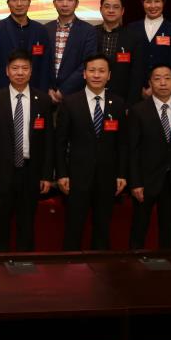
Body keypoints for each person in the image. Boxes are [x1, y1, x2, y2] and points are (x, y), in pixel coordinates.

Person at [0, 50, 55, 252]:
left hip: (31, 172)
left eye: (24, 68)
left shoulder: (43, 100)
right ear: (7, 71)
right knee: (0, 224)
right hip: (2, 173)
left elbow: (48, 141)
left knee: (27, 224)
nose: (20, 73)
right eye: (15, 68)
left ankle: (26, 264)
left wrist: (46, 175)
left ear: (31, 71)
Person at [55, 54, 128, 251]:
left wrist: (121, 173)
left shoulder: (118, 103)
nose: (97, 75)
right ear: (84, 74)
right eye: (92, 70)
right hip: (77, 177)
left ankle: (100, 266)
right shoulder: (70, 102)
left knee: (102, 229)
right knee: (74, 227)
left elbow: (122, 143)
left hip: (107, 176)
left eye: (101, 71)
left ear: (109, 75)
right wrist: (61, 174)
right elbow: (60, 142)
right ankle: (70, 265)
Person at [128, 64, 171, 249]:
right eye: (157, 79)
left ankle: (168, 262)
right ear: (150, 83)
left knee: (168, 229)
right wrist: (135, 182)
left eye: (167, 78)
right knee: (139, 227)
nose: (163, 83)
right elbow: (132, 150)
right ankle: (134, 262)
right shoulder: (138, 111)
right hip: (145, 180)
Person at [0, 0, 51, 94]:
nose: (19, 4)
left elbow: (45, 65)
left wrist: (43, 93)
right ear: (8, 3)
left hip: (34, 91)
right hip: (4, 92)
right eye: (14, 0)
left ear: (29, 2)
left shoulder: (40, 30)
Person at [44, 0, 97, 105]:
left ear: (77, 3)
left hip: (76, 95)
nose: (65, 4)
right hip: (47, 94)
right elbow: (41, 62)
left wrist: (63, 90)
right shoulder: (45, 29)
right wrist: (48, 88)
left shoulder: (88, 31)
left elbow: (87, 63)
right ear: (54, 3)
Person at [127, 0, 171, 98]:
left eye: (157, 1)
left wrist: (154, 87)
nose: (153, 6)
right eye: (148, 2)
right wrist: (138, 87)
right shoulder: (131, 28)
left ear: (163, 2)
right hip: (135, 91)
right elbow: (128, 62)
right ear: (142, 3)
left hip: (164, 89)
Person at [97, 0, 144, 106]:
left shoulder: (133, 37)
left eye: (116, 7)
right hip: (92, 96)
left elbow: (136, 74)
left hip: (121, 98)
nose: (111, 10)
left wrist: (130, 104)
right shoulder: (90, 34)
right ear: (101, 9)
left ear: (122, 11)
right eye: (107, 6)